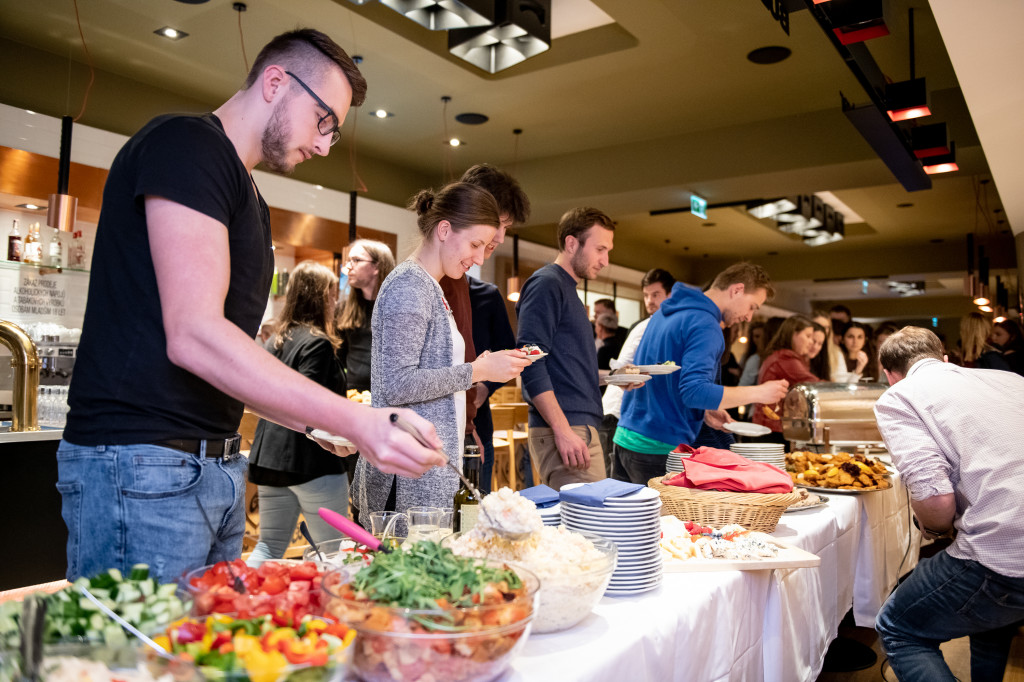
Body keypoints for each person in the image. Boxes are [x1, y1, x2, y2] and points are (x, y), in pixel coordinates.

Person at [56, 28, 446, 583]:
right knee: (141, 664)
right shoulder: (187, 144)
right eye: (325, 122)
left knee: (206, 663)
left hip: (208, 467)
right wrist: (358, 421)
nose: (325, 145)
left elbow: (226, 361)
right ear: (275, 81)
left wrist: (315, 425)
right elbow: (193, 334)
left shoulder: (250, 196)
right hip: (142, 464)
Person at [351, 182, 529, 520]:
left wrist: (479, 368)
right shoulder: (409, 285)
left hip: (421, 474)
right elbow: (396, 385)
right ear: (444, 230)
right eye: (476, 244)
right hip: (402, 481)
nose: (479, 258)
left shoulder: (431, 286)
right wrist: (477, 371)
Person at [873, 326, 1024, 682]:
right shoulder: (1012, 380)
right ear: (945, 360)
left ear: (889, 375)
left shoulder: (900, 396)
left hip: (1007, 554)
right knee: (991, 619)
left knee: (897, 627)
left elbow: (936, 501)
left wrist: (935, 527)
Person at [613, 263, 790, 484]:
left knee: (627, 519)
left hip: (625, 438)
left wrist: (705, 410)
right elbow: (694, 392)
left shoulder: (663, 313)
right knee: (669, 521)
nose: (749, 317)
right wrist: (759, 392)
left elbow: (665, 379)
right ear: (737, 290)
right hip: (660, 448)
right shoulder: (706, 324)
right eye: (752, 306)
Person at [246, 261, 348, 563]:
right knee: (331, 553)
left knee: (268, 547)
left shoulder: (274, 341)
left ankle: (245, 603)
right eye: (332, 294)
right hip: (312, 462)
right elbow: (306, 400)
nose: (335, 301)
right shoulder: (317, 342)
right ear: (319, 297)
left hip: (269, 460)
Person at [441, 163, 531, 491]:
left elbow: (502, 360)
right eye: (499, 224)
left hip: (476, 425)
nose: (501, 236)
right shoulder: (422, 285)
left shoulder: (482, 294)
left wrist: (479, 390)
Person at [517, 207, 619, 489]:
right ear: (572, 243)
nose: (605, 260)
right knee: (586, 528)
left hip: (577, 426)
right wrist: (562, 431)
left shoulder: (566, 288)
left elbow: (566, 368)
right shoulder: (547, 284)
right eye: (600, 249)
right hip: (565, 428)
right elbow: (531, 361)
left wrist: (614, 377)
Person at [599, 268, 676, 477]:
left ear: (670, 295)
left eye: (655, 294)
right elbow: (621, 368)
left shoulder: (667, 325)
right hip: (616, 415)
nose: (649, 301)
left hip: (627, 417)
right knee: (611, 489)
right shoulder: (647, 326)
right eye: (646, 295)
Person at [751, 315, 822, 442]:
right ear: (793, 334)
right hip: (772, 429)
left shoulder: (782, 356)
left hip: (769, 426)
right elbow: (815, 385)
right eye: (808, 336)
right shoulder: (786, 358)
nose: (811, 342)